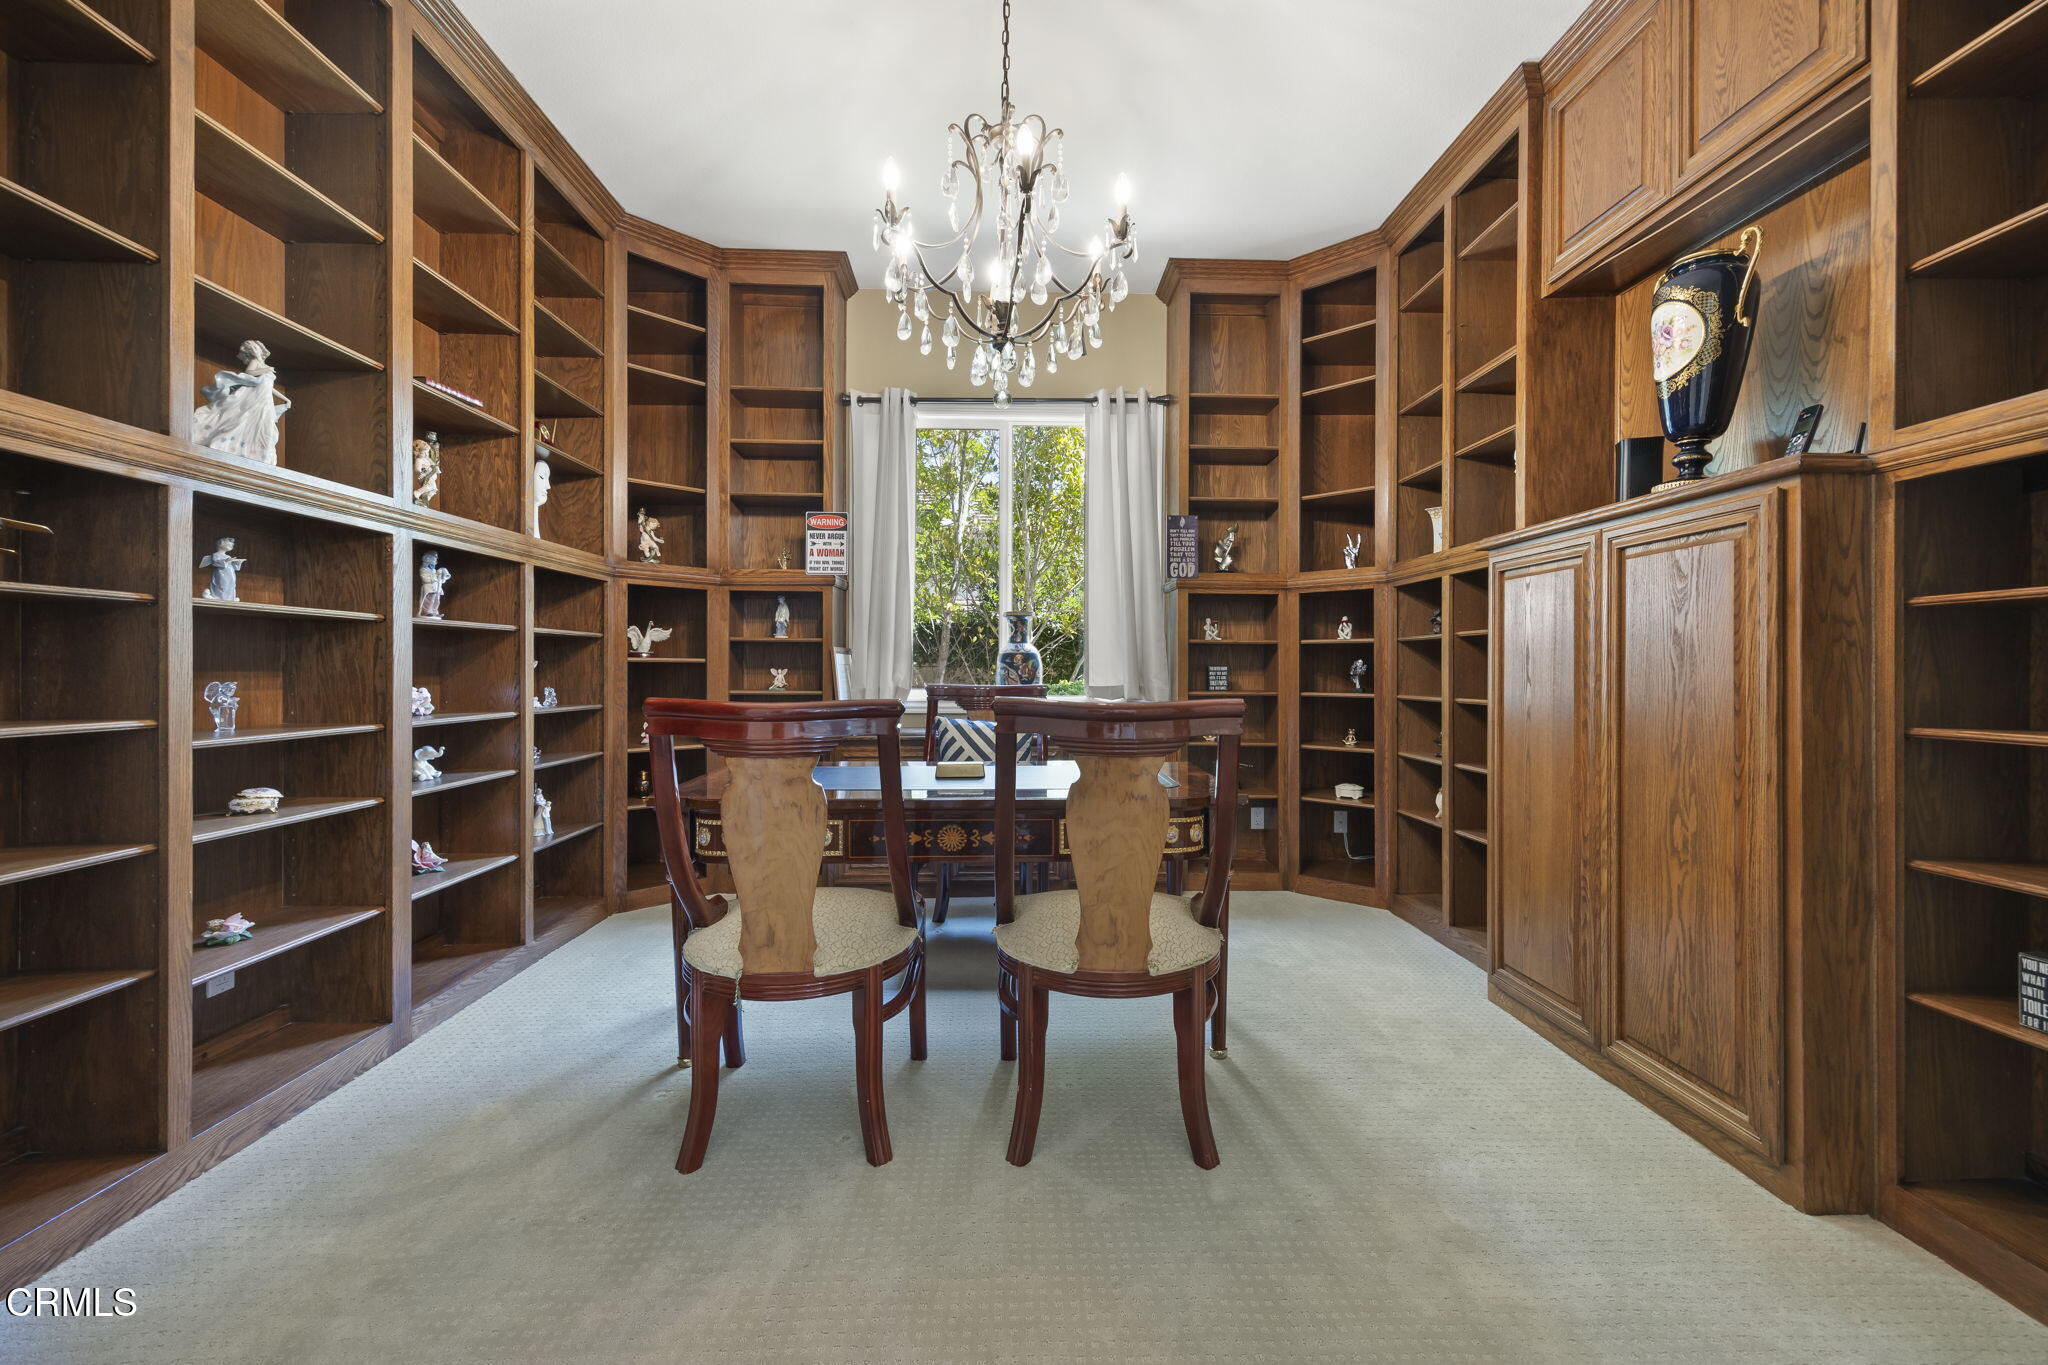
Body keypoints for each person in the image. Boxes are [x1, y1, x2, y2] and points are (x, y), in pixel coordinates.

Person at [194, 341, 291, 464]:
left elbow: (269, 386)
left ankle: (259, 452)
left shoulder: (263, 365)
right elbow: (249, 372)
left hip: (265, 399)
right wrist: (266, 369)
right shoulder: (255, 362)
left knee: (262, 424)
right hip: (256, 398)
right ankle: (236, 447)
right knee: (245, 420)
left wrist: (285, 399)